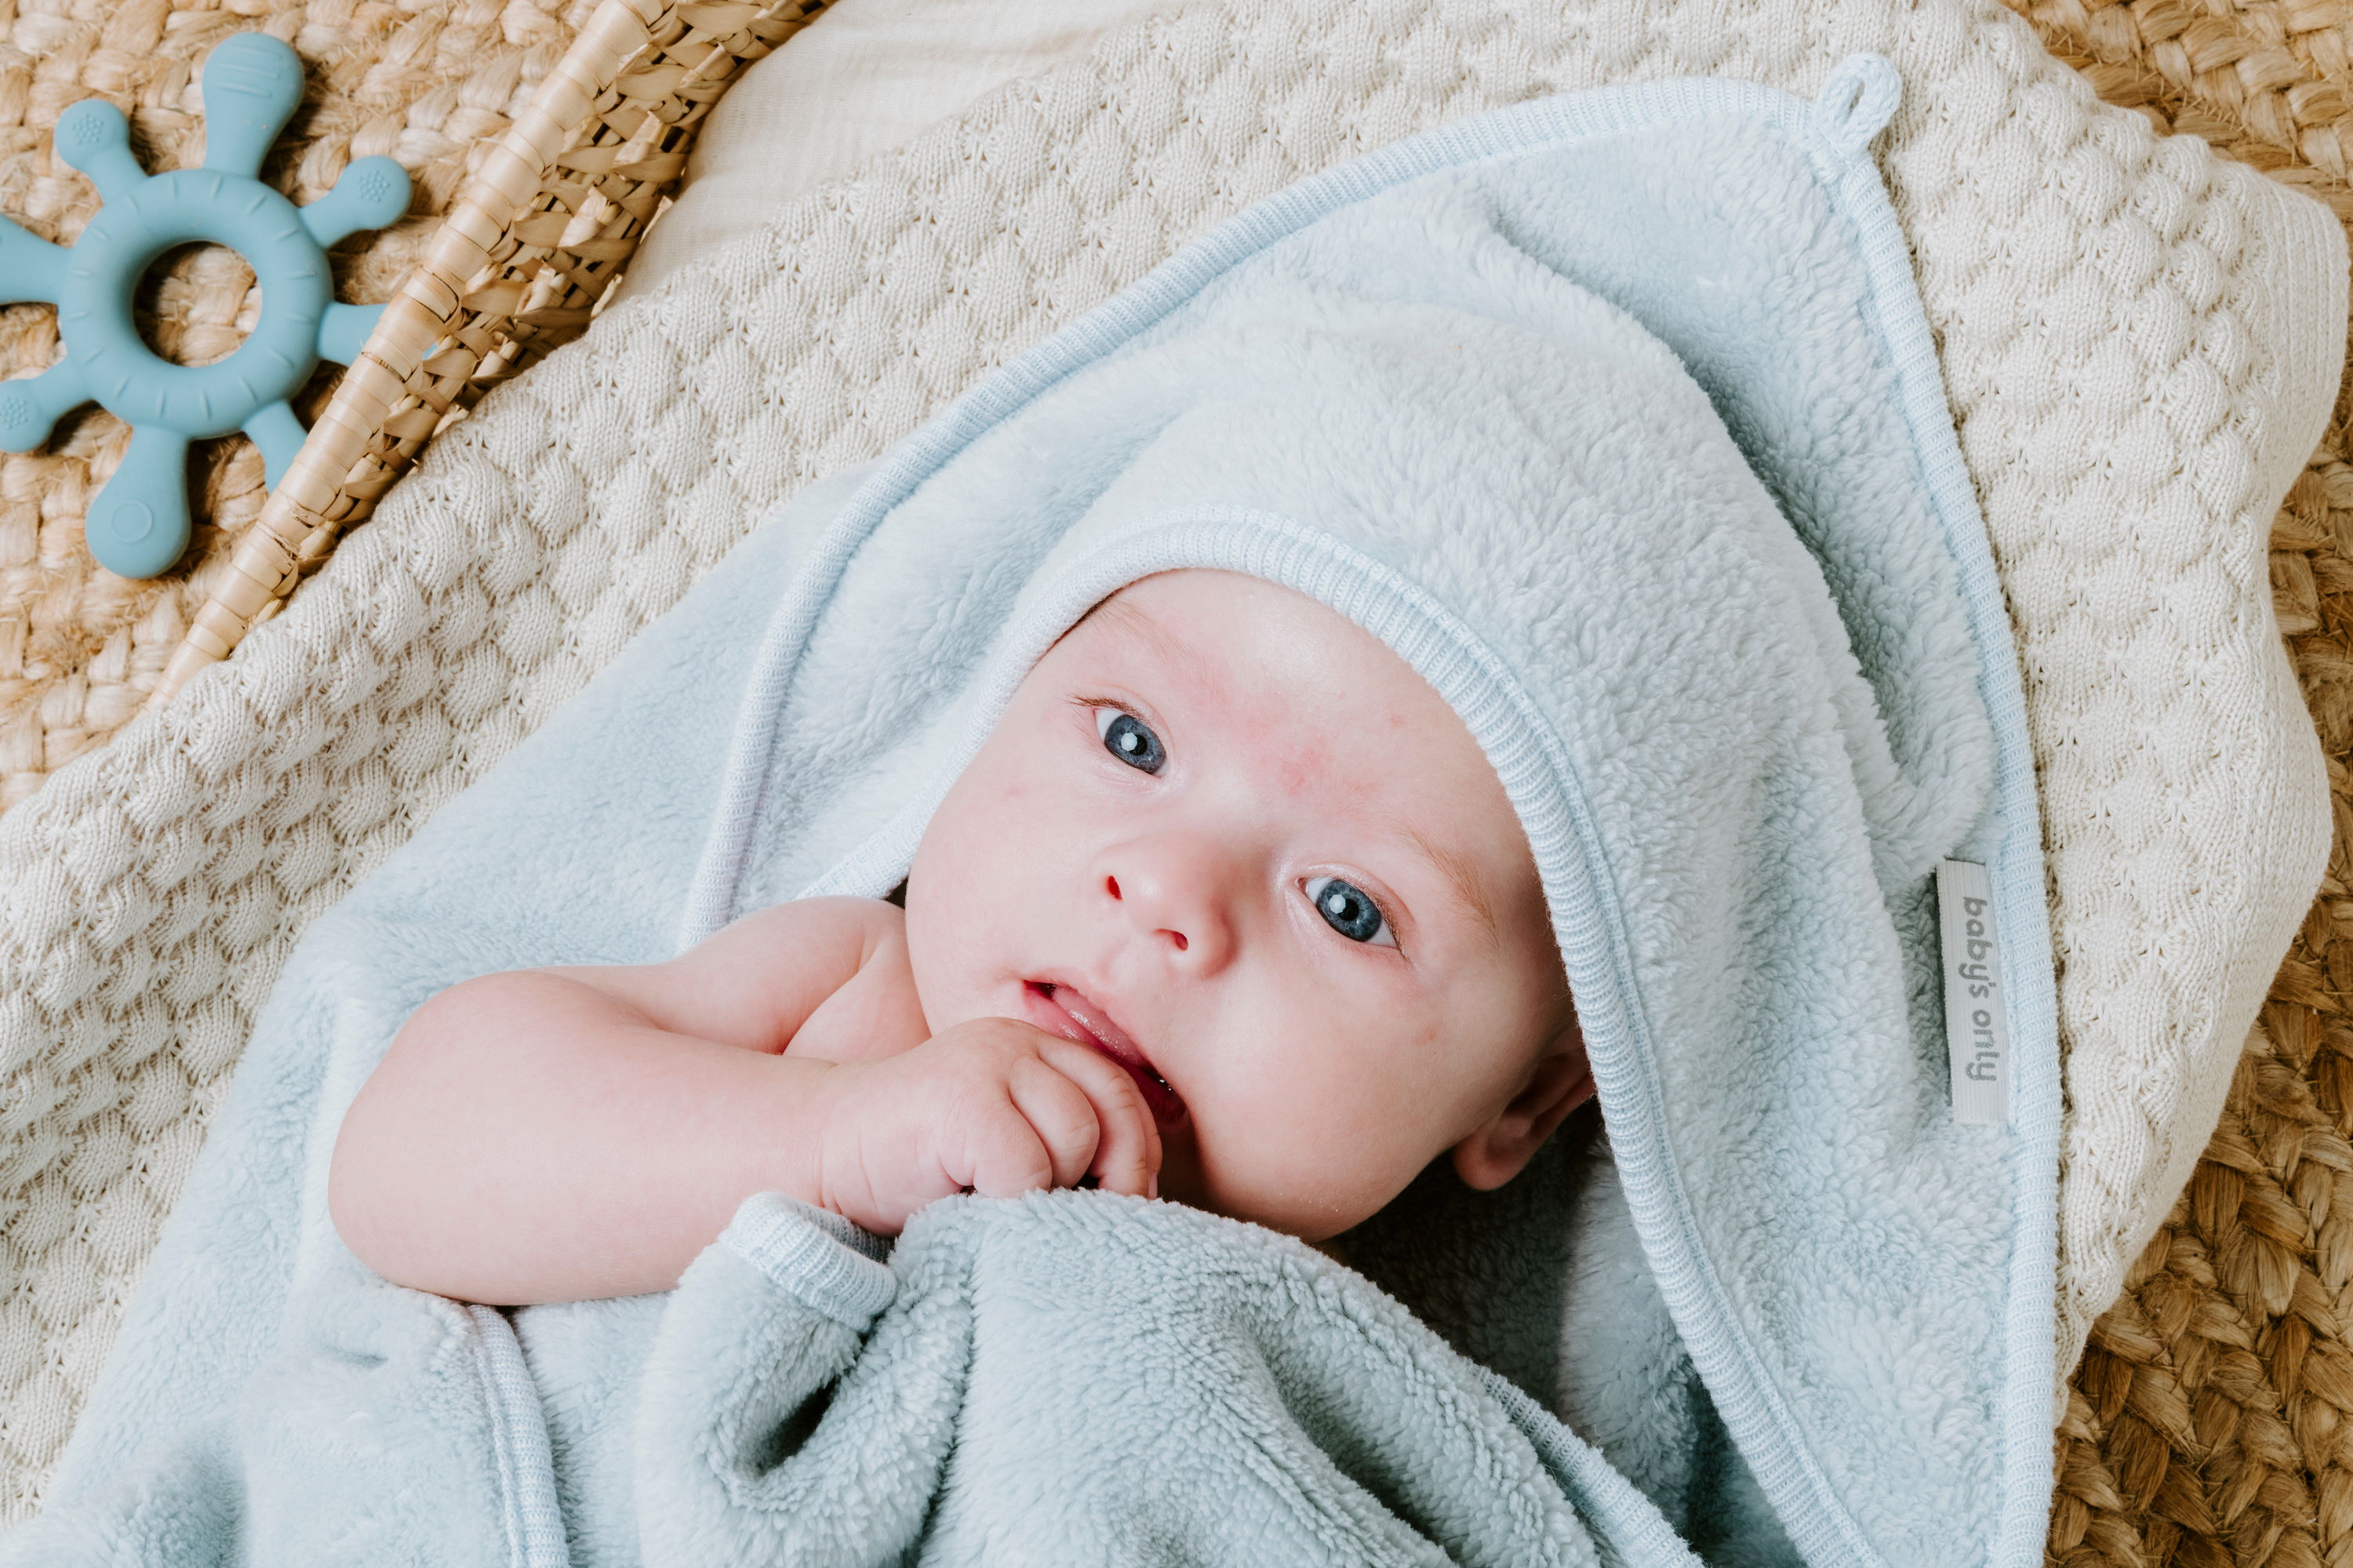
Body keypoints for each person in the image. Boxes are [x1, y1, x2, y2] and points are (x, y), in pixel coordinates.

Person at [329, 567, 1593, 1305]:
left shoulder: (1362, 1368)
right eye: (1133, 743)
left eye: (1348, 908)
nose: (1164, 894)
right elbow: (403, 1157)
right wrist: (832, 1140)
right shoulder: (853, 1000)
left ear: (1525, 1104)